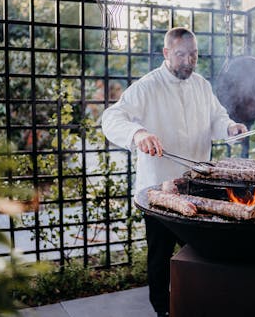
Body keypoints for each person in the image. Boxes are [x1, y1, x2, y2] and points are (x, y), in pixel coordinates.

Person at [101, 27, 247, 317]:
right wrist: (138, 132)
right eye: (181, 55)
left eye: (193, 55)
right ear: (167, 53)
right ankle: (163, 310)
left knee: (203, 252)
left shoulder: (202, 85)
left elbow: (216, 117)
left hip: (197, 186)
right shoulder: (147, 86)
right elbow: (111, 117)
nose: (188, 61)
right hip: (159, 190)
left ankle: (198, 303)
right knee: (160, 256)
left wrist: (229, 127)